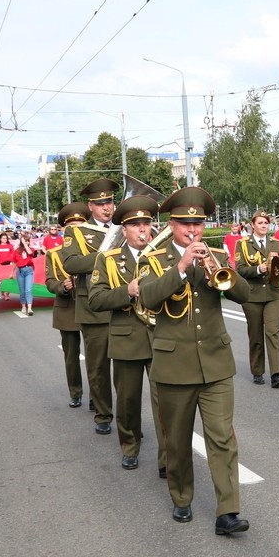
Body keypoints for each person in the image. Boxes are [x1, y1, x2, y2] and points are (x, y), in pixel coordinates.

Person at [137, 186, 252, 535]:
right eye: (186, 224)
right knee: (178, 439)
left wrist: (220, 272)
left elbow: (245, 294)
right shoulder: (152, 259)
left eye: (198, 224)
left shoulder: (215, 254)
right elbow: (148, 297)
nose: (193, 231)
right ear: (171, 225)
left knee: (221, 437)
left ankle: (227, 512)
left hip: (215, 362)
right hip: (174, 366)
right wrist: (183, 267)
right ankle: (182, 496)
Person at [88, 195, 166, 474]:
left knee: (165, 404)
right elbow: (95, 300)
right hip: (126, 339)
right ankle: (130, 446)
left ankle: (167, 459)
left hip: (162, 340)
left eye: (146, 223)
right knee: (128, 401)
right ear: (124, 230)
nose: (142, 229)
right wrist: (127, 292)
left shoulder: (165, 256)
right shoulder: (108, 260)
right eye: (135, 225)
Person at [58, 178, 120, 435]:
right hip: (93, 308)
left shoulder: (123, 227)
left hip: (123, 304)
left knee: (127, 372)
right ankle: (104, 414)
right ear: (90, 206)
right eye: (100, 203)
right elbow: (71, 265)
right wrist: (106, 254)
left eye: (110, 202)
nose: (107, 207)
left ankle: (128, 421)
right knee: (98, 368)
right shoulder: (77, 232)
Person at [235, 210, 279, 387]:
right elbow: (240, 269)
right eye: (260, 223)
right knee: (256, 334)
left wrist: (277, 271)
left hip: (273, 293)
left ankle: (276, 374)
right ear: (252, 225)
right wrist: (258, 269)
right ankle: (257, 370)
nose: (264, 226)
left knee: (273, 332)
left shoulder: (275, 243)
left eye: (266, 223)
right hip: (252, 294)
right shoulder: (242, 244)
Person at [45, 203, 87, 408]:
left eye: (80, 225)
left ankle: (98, 398)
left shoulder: (93, 251)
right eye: (71, 226)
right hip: (66, 309)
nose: (76, 229)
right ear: (63, 229)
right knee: (71, 356)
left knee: (97, 359)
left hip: (91, 307)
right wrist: (63, 285)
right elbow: (49, 282)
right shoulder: (54, 254)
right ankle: (76, 392)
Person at [12, 231, 40, 316]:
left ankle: (30, 308)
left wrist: (25, 244)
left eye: (28, 240)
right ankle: (23, 306)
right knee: (22, 291)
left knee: (28, 289)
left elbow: (30, 253)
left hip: (29, 270)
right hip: (20, 271)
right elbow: (14, 263)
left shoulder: (30, 249)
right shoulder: (17, 251)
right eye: (25, 240)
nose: (27, 242)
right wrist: (11, 273)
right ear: (21, 241)